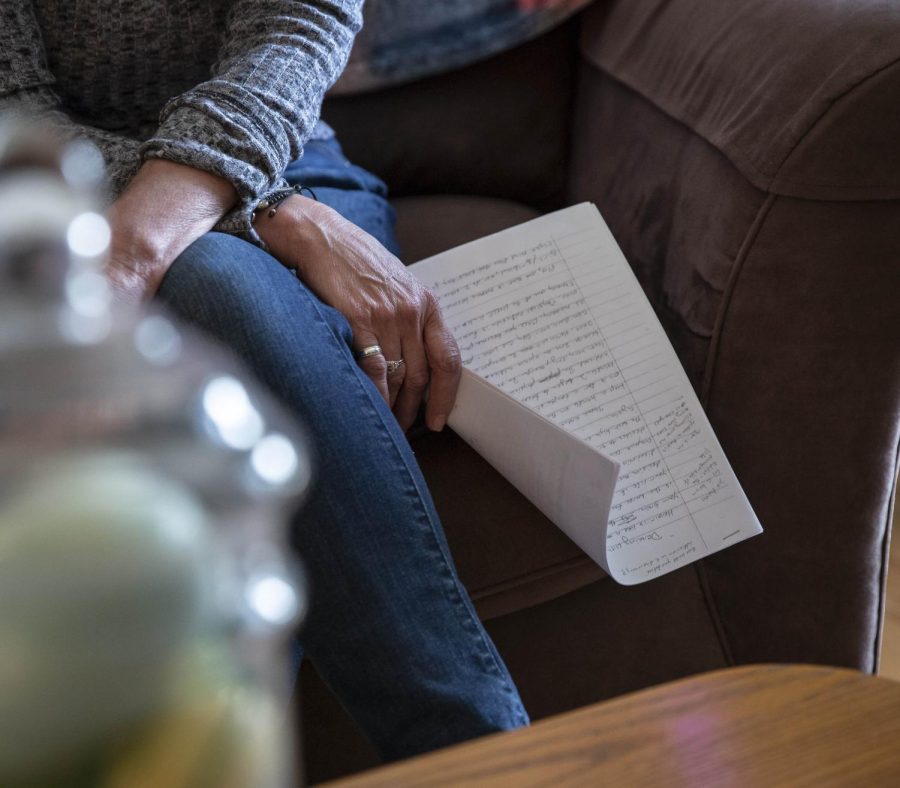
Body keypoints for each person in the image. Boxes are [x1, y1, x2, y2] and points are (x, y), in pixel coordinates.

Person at [1, 0, 530, 762]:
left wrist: (175, 230)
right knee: (208, 277)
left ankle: (476, 753)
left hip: (291, 160)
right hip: (61, 210)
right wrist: (271, 216)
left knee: (210, 281)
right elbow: (14, 119)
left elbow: (296, 29)